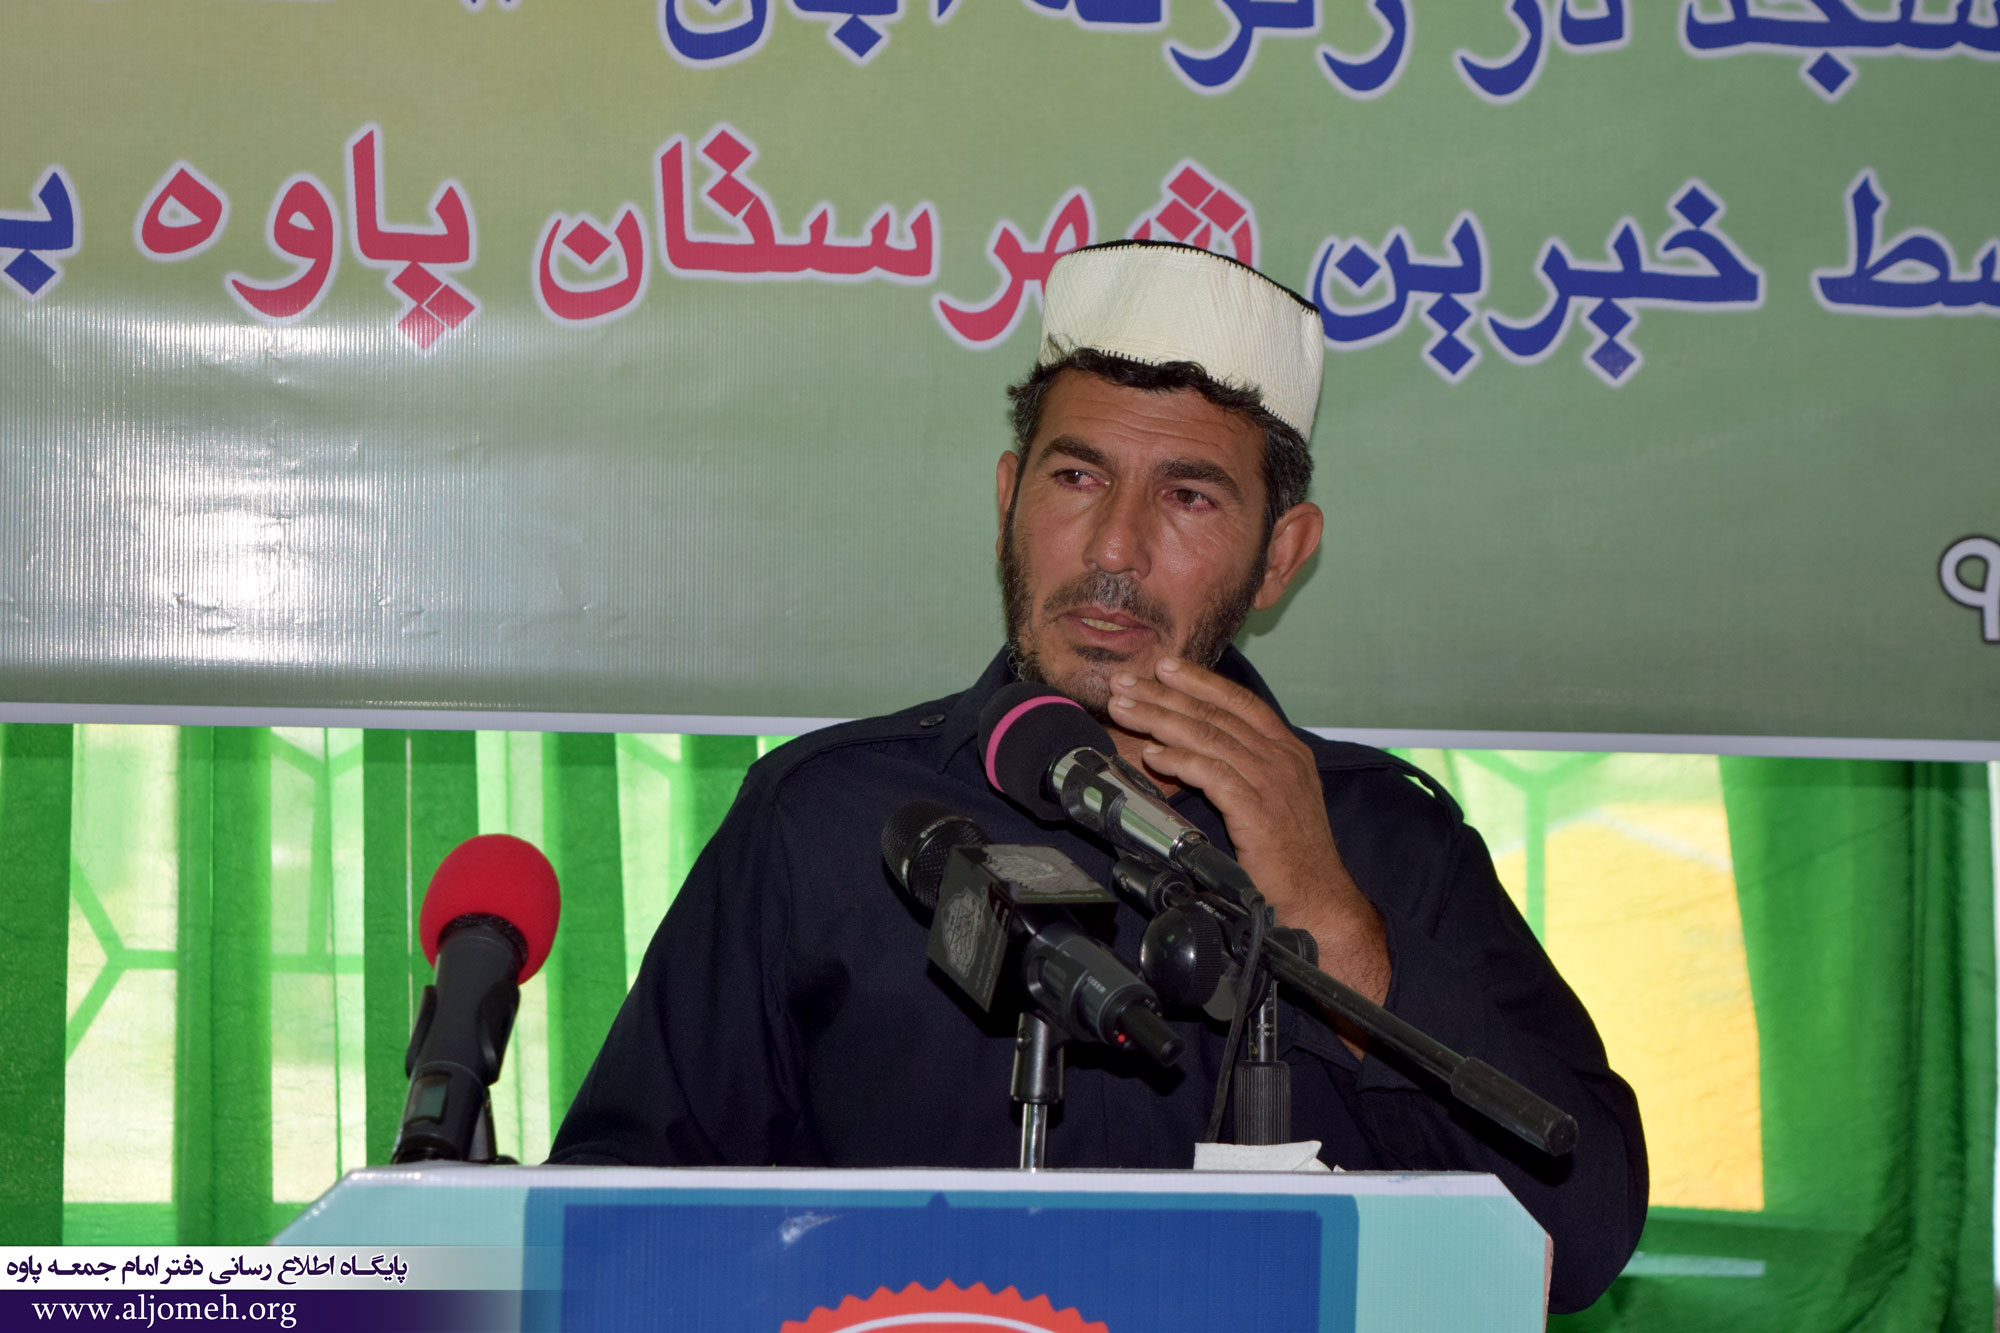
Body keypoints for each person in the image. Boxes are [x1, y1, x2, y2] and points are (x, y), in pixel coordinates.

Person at [549, 241, 1648, 1313]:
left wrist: (1329, 919)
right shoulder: (823, 817)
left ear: (1279, 555)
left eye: (1188, 496)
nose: (1113, 547)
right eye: (1076, 476)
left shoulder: (1384, 840)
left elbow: (1579, 1239)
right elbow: (609, 1227)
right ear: (1008, 501)